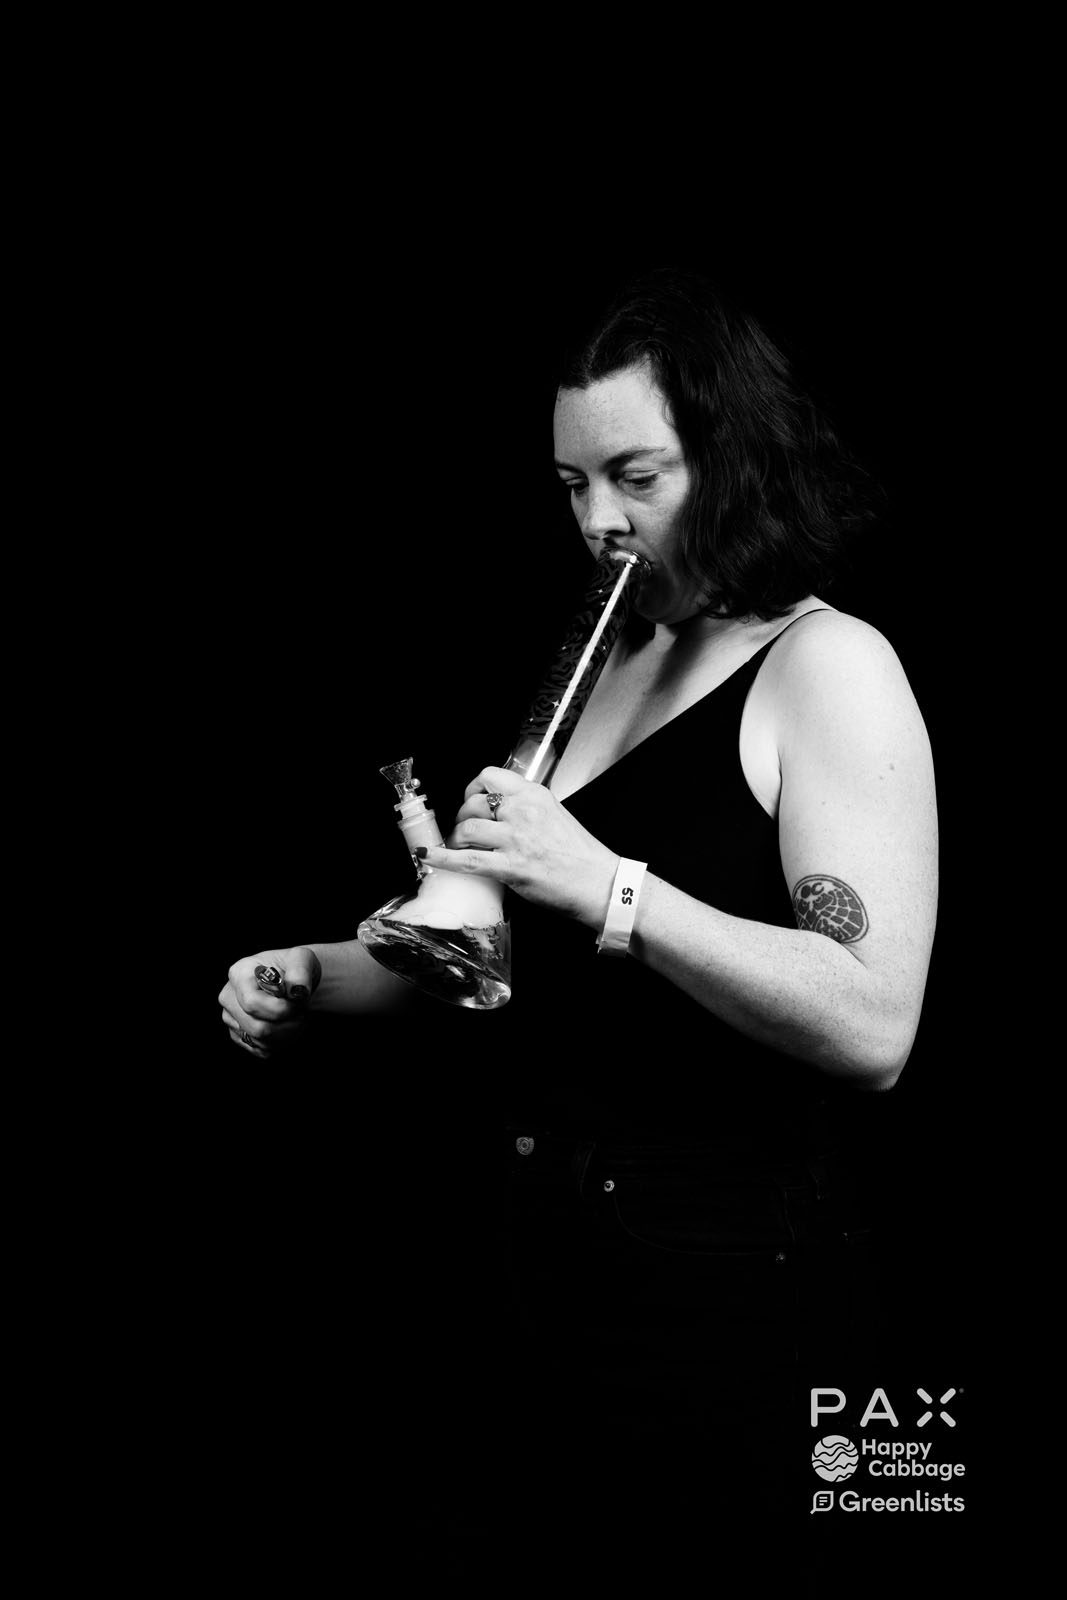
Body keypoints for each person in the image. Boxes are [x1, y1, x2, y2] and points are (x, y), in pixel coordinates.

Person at [218, 269, 937, 1578]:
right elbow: (494, 960)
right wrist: (312, 973)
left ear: (734, 457)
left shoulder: (829, 663)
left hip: (737, 1304)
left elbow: (874, 1022)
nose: (600, 522)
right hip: (535, 1284)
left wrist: (611, 887)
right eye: (571, 485)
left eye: (636, 476)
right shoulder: (603, 665)